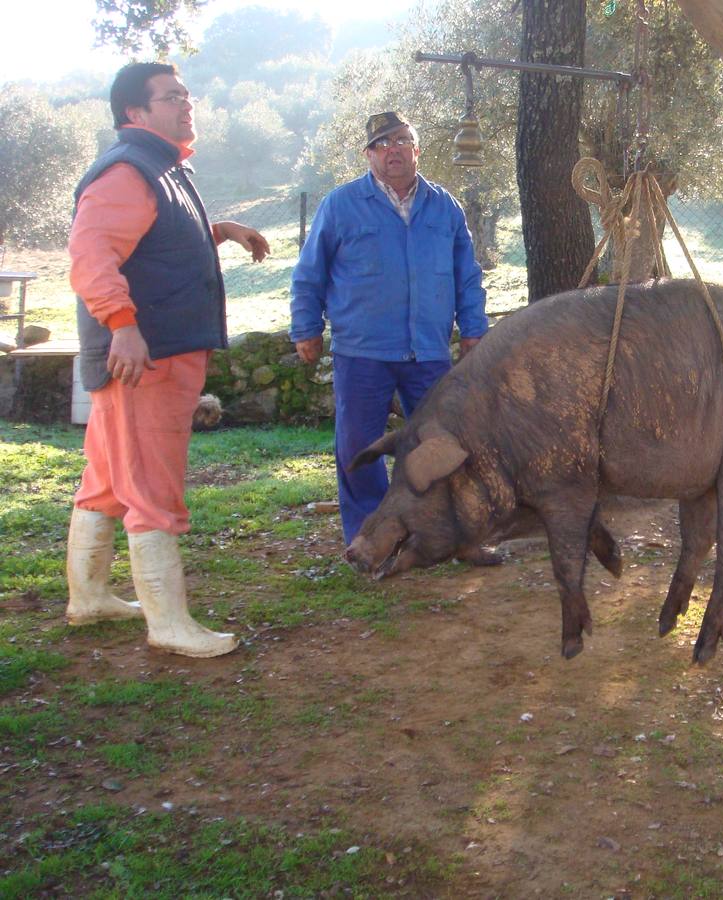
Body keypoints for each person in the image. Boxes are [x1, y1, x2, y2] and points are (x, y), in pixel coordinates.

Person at [66, 62, 270, 657]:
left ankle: (90, 597)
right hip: (143, 360)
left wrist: (219, 230)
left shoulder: (160, 168)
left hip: (151, 355)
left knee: (107, 481)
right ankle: (168, 624)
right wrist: (123, 326)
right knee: (152, 487)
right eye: (171, 96)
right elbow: (90, 256)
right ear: (135, 113)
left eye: (186, 93)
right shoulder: (128, 171)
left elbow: (155, 239)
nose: (186, 103)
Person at [289, 112, 488, 545]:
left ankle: (448, 534)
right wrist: (306, 327)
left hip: (429, 351)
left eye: (400, 141)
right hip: (363, 351)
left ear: (417, 150)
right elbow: (309, 273)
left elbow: (466, 273)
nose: (392, 150)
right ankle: (369, 536)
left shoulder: (444, 206)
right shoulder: (341, 205)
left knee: (442, 443)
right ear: (368, 156)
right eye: (381, 144)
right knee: (359, 447)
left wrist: (474, 327)